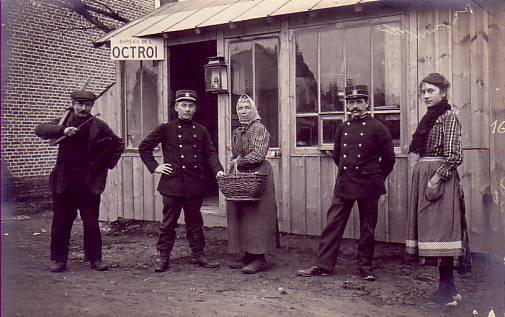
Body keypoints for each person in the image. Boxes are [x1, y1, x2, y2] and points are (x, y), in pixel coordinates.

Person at [298, 84, 396, 280]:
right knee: (333, 224)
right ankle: (323, 264)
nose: (355, 107)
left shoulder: (378, 127)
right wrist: (348, 172)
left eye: (359, 102)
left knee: (367, 228)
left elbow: (389, 160)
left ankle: (365, 267)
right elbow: (337, 156)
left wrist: (376, 177)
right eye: (351, 102)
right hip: (345, 183)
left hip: (369, 185)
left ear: (367, 103)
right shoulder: (343, 127)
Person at [34, 88, 125, 273]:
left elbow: (118, 143)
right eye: (80, 104)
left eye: (87, 104)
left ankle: (95, 259)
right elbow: (40, 129)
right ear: (73, 104)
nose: (83, 108)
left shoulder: (99, 125)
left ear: (92, 106)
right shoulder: (63, 120)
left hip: (89, 184)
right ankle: (59, 259)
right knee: (61, 222)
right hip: (64, 183)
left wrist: (104, 164)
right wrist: (62, 129)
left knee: (91, 223)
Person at [139, 89, 224, 272]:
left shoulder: (201, 131)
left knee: (195, 221)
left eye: (191, 105)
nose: (187, 109)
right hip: (172, 185)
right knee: (168, 222)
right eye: (183, 105)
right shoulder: (165, 129)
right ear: (176, 107)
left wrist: (218, 170)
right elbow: (144, 147)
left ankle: (199, 255)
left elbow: (210, 153)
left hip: (194, 184)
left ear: (195, 109)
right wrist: (155, 167)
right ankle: (163, 257)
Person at [406, 73, 470, 306]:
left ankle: (447, 290)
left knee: (442, 232)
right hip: (425, 174)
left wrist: (435, 178)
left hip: (439, 179)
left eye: (430, 91)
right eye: (423, 92)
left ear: (443, 92)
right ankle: (447, 288)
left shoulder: (448, 117)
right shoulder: (429, 118)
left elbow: (455, 155)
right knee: (431, 232)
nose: (426, 96)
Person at [226, 94, 278, 274]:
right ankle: (248, 254)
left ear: (253, 110)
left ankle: (260, 258)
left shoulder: (260, 129)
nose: (243, 111)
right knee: (243, 214)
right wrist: (234, 167)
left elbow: (257, 155)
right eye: (240, 108)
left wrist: (237, 163)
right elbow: (235, 154)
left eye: (247, 107)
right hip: (242, 177)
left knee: (258, 216)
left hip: (259, 175)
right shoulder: (237, 132)